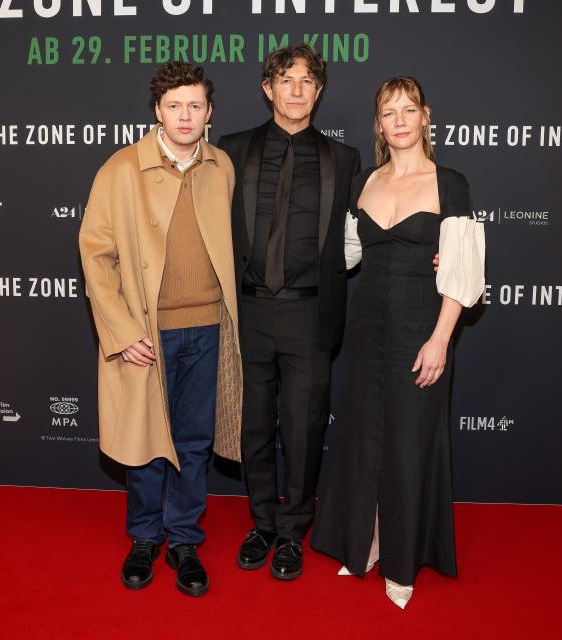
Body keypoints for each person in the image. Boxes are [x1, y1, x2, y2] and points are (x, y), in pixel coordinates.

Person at [311, 76, 486, 609]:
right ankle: (364, 542)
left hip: (421, 328)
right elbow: (345, 256)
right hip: (365, 330)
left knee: (409, 443)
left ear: (426, 116)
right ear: (379, 125)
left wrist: (440, 340)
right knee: (364, 437)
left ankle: (402, 560)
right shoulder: (364, 181)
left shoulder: (449, 183)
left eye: (410, 109)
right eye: (390, 112)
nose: (401, 120)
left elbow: (463, 272)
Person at [79, 61, 242, 598]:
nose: (185, 115)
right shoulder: (121, 169)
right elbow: (95, 255)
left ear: (209, 112)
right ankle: (145, 537)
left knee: (194, 442)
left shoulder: (222, 167)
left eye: (195, 105)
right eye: (175, 105)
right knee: (148, 439)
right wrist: (122, 330)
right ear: (157, 110)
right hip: (146, 333)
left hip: (208, 327)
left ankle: (184, 540)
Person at [216, 44, 361, 580]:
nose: (296, 89)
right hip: (248, 311)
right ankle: (262, 525)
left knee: (301, 429)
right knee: (254, 426)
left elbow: (364, 234)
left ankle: (294, 531)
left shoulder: (343, 161)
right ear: (267, 88)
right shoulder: (231, 151)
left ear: (318, 92)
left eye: (307, 81)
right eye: (286, 79)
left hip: (310, 314)